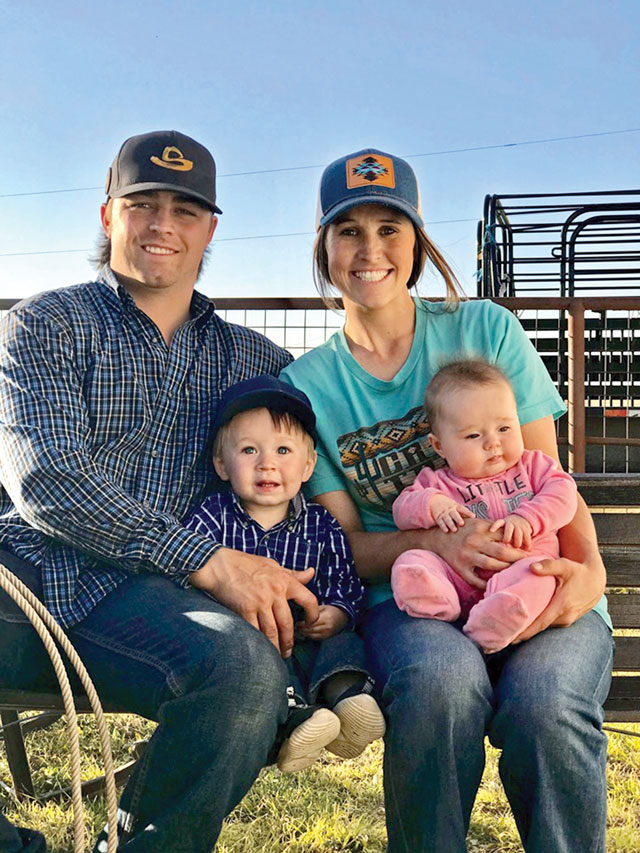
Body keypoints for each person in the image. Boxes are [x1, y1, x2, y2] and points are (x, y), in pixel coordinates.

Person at [281, 148, 613, 851]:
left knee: (548, 703)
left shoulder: (484, 329)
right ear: (323, 248)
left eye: (390, 228)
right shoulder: (307, 386)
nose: (371, 250)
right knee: (438, 686)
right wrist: (436, 542)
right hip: (414, 600)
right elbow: (346, 546)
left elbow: (550, 477)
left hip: (536, 572)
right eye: (349, 231)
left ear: (418, 242)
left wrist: (589, 572)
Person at [0, 130, 318, 853]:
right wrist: (207, 559)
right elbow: (47, 479)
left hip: (147, 602)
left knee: (242, 671)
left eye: (185, 209)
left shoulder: (256, 362)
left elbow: (337, 447)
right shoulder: (43, 324)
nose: (162, 225)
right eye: (142, 203)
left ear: (210, 229)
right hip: (27, 574)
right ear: (108, 214)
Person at [182, 374, 385, 772]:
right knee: (266, 659)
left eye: (283, 450)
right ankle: (297, 721)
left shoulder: (321, 524)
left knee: (342, 643)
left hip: (307, 632)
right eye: (249, 450)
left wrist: (337, 612)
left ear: (308, 466)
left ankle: (348, 699)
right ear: (221, 464)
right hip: (251, 635)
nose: (267, 463)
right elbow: (189, 571)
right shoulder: (212, 517)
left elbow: (344, 582)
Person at [391, 358, 578, 654]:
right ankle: (433, 599)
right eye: (473, 435)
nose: (493, 443)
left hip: (521, 567)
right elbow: (402, 510)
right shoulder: (436, 482)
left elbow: (564, 494)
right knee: (412, 560)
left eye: (504, 428)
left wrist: (528, 518)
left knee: (540, 577)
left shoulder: (533, 466)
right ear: (439, 446)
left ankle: (494, 622)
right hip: (457, 579)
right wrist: (433, 504)